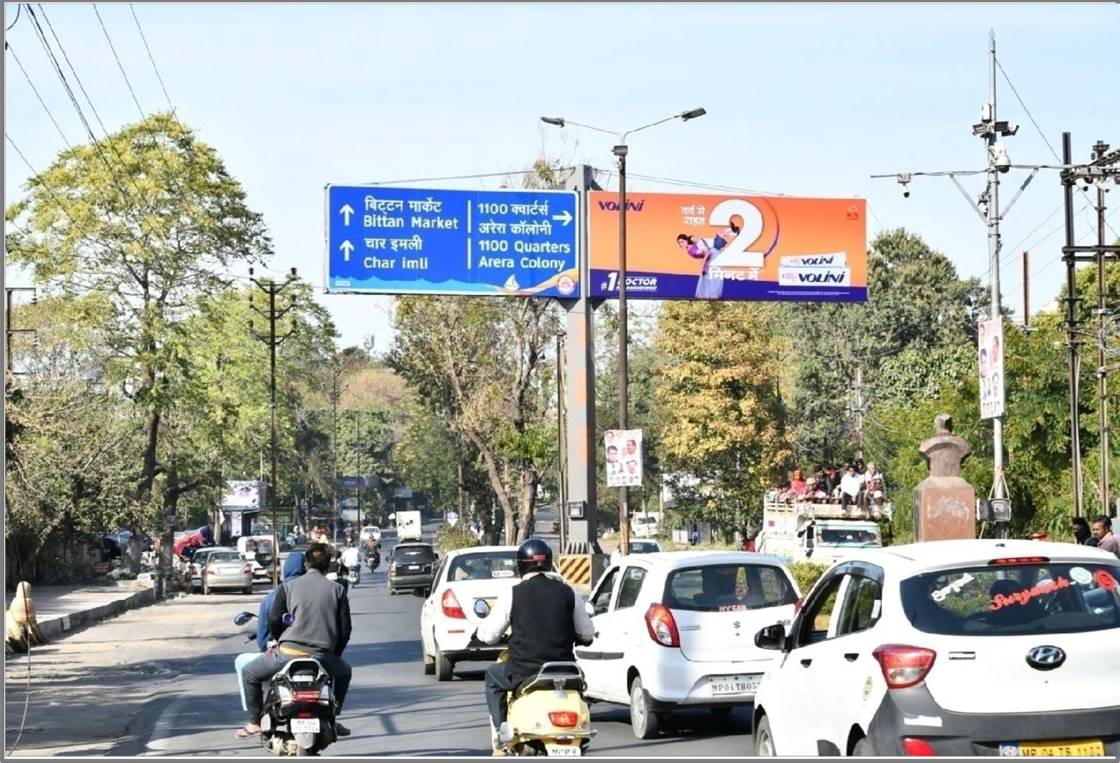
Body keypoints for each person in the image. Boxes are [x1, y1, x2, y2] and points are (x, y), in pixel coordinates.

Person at [476, 538, 595, 755]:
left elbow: (490, 635)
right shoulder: (569, 592)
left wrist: (480, 633)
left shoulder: (513, 593)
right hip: (565, 670)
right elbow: (587, 633)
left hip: (524, 671)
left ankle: (502, 737)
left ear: (521, 564)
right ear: (549, 563)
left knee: (493, 677)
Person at [236, 544, 353, 739]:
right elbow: (345, 630)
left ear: (307, 565)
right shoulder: (338, 590)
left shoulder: (287, 588)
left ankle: (255, 723)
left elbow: (274, 619)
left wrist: (278, 640)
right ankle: (332, 718)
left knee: (249, 673)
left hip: (287, 655)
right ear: (327, 566)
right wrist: (334, 655)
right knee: (345, 672)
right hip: (322, 657)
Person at [233, 551, 306, 712]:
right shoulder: (315, 594)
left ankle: (254, 719)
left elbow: (263, 639)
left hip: (284, 653)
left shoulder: (273, 597)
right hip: (316, 652)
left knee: (246, 668)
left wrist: (270, 643)